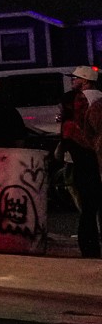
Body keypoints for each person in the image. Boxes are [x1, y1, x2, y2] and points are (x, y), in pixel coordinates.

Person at [62, 66, 102, 258]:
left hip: (86, 159)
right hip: (94, 158)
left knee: (88, 207)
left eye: (76, 78)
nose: (72, 81)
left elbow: (85, 133)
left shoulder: (80, 100)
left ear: (85, 81)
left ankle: (90, 248)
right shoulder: (99, 98)